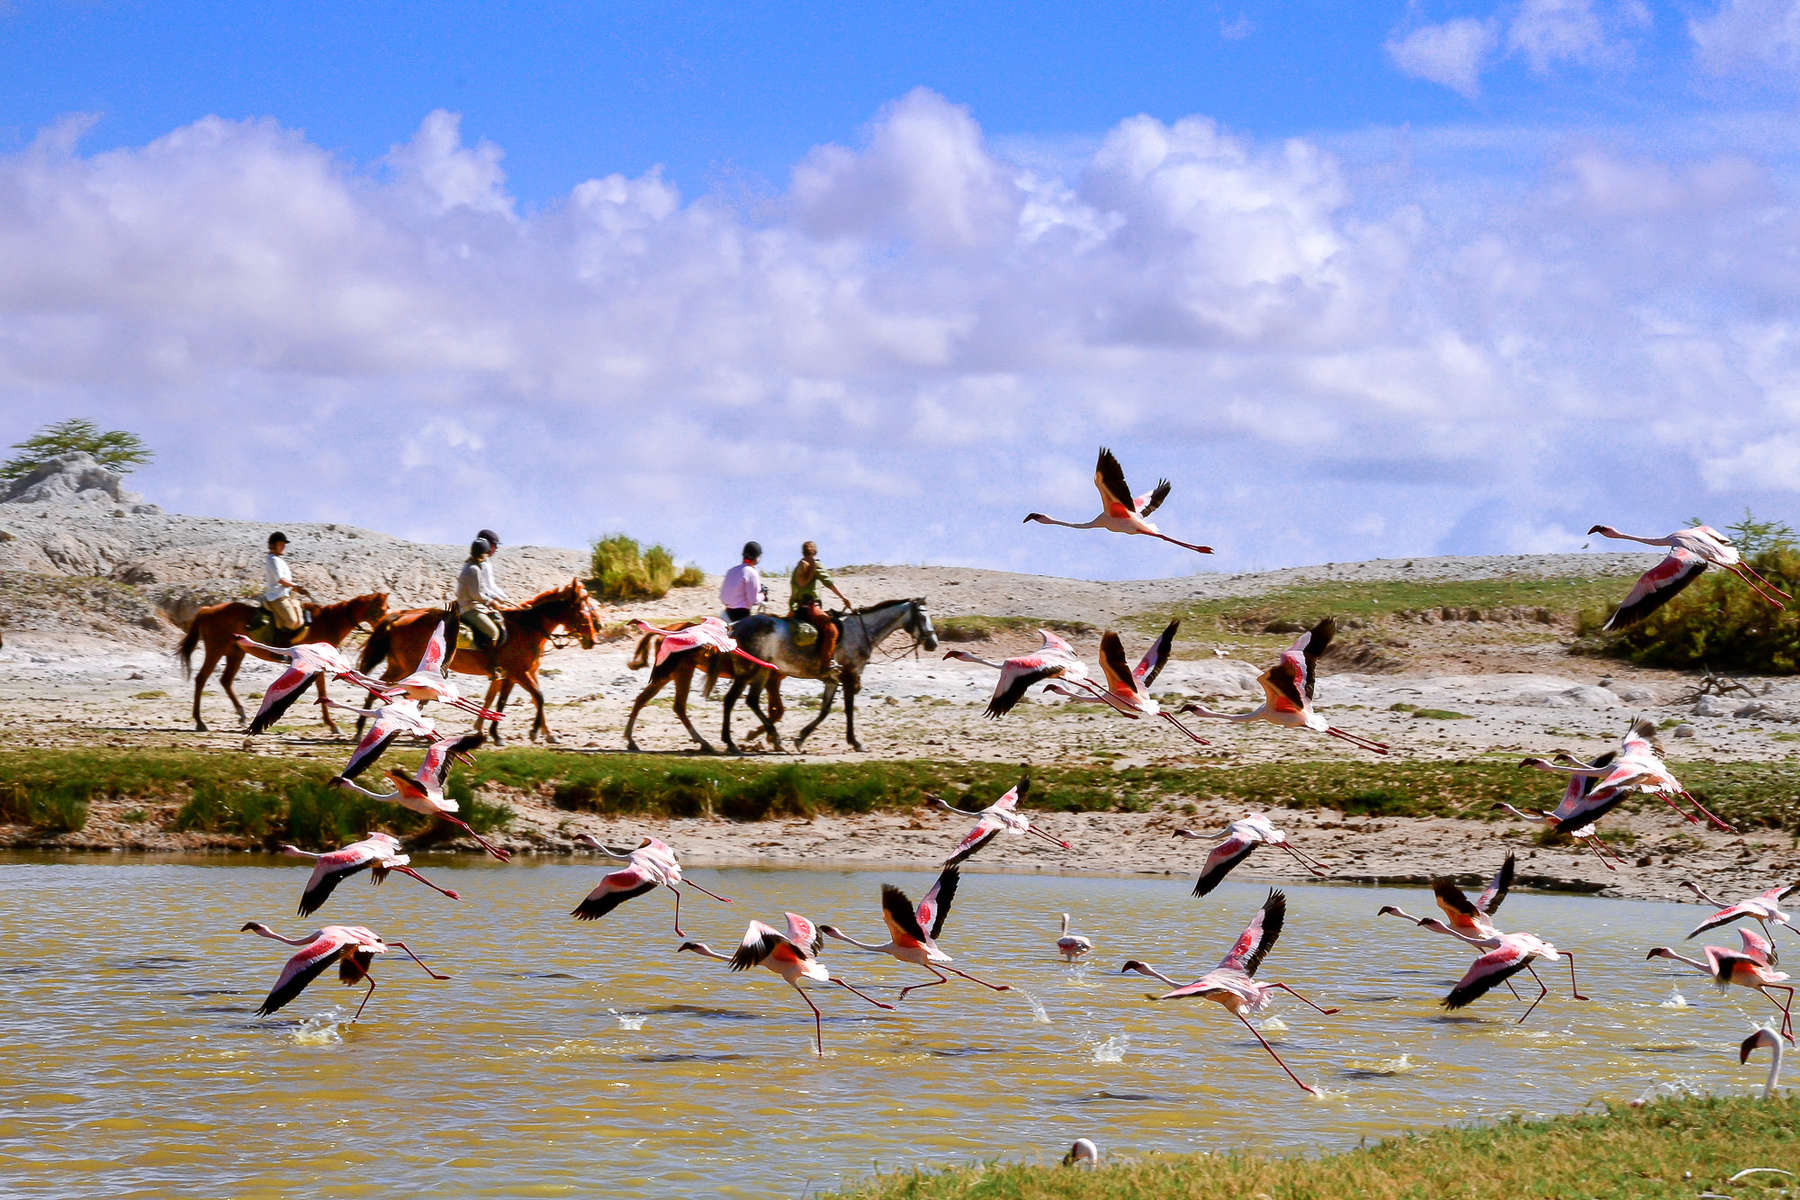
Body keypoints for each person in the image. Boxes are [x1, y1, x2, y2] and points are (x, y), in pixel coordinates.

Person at [788, 540, 851, 675]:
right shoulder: (815, 565)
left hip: (798, 608)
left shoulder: (796, 569)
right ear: (815, 552)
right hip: (811, 608)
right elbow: (828, 582)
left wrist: (791, 609)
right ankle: (825, 665)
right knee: (832, 631)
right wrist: (843, 598)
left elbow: (793, 590)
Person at [456, 537, 509, 661]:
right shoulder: (473, 569)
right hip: (469, 609)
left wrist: (498, 598)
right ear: (484, 554)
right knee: (493, 632)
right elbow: (476, 595)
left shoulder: (472, 566)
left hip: (473, 606)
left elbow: (481, 590)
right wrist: (491, 602)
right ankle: (491, 664)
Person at [261, 531, 310, 639]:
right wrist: (295, 586)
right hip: (276, 597)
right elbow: (281, 580)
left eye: (284, 545)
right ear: (273, 545)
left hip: (285, 596)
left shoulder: (279, 560)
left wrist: (297, 589)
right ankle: (278, 648)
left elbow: (286, 582)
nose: (283, 547)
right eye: (280, 544)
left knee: (300, 621)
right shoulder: (272, 559)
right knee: (291, 621)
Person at [720, 541, 763, 622]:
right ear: (757, 557)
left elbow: (722, 596)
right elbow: (753, 600)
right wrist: (762, 595)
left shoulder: (731, 571)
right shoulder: (751, 572)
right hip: (741, 618)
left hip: (725, 615)